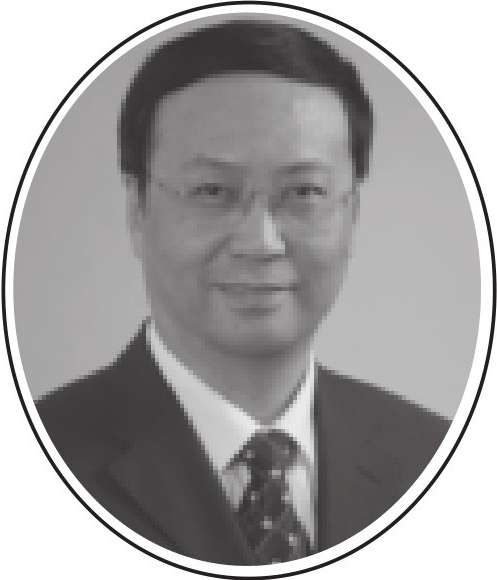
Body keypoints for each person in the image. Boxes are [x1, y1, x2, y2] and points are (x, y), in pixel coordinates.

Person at [36, 19, 449, 565]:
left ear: (352, 212)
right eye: (213, 191)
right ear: (137, 208)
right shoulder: (29, 460)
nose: (261, 243)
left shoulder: (438, 460)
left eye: (305, 192)